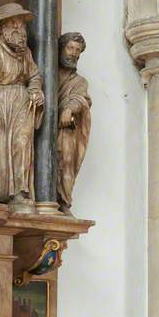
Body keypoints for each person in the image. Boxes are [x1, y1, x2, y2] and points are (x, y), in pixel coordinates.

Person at [0, 4, 44, 209]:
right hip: (1, 105)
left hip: (23, 105)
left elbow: (35, 76)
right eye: (14, 26)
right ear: (3, 30)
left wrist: (35, 90)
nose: (20, 32)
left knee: (22, 144)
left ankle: (21, 193)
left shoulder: (26, 54)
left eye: (22, 27)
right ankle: (2, 193)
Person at [57, 32, 92, 211]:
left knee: (67, 160)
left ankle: (63, 202)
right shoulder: (48, 74)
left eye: (78, 50)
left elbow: (81, 98)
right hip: (40, 127)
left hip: (65, 130)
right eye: (70, 48)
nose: (74, 54)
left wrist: (69, 108)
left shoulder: (79, 82)